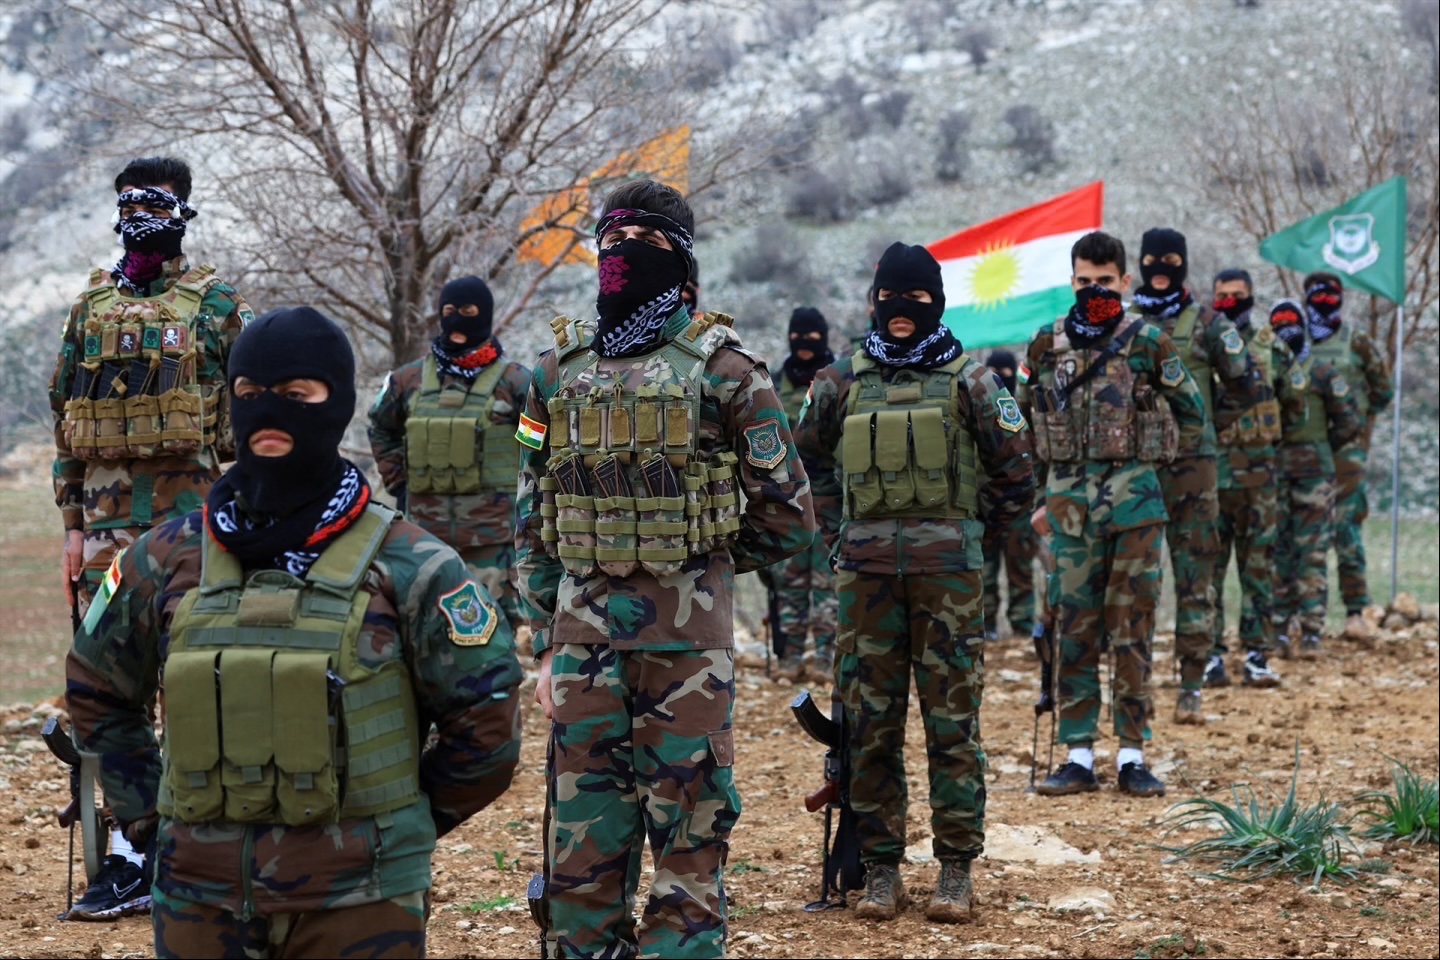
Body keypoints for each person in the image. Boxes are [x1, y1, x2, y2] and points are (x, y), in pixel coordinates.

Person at [65, 306, 523, 959]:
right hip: (200, 897)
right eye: (250, 395)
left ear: (335, 404)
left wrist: (402, 824)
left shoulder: (412, 563)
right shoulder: (166, 555)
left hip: (360, 902)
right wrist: (149, 815)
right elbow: (96, 685)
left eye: (295, 395)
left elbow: (489, 722)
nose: (269, 413)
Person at [515, 179, 814, 958]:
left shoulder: (729, 374)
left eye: (643, 245)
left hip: (689, 657)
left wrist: (701, 555)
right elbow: (530, 510)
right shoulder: (554, 374)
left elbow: (788, 514)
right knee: (579, 855)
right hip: (582, 647)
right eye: (611, 244)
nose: (622, 258)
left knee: (689, 843)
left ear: (682, 263)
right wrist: (547, 635)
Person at [795, 242, 1035, 924]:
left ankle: (955, 870)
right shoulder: (839, 381)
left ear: (937, 302)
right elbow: (801, 462)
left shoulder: (973, 382)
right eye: (892, 298)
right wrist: (838, 530)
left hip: (949, 583)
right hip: (866, 581)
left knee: (952, 725)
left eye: (917, 299)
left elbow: (1017, 474)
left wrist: (969, 534)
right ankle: (880, 871)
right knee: (869, 727)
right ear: (875, 302)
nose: (903, 311)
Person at [47, 155, 253, 921]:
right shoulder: (87, 308)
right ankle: (133, 853)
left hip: (192, 531)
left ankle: (202, 851)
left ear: (183, 213)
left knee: (196, 685)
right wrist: (71, 528)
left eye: (156, 203)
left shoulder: (218, 305)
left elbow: (259, 413)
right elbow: (65, 417)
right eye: (129, 201)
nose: (140, 214)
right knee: (108, 689)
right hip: (103, 536)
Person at [1023, 231, 1206, 799]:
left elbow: (1192, 414)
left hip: (1134, 510)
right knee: (1073, 629)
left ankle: (1131, 754)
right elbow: (1030, 426)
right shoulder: (1045, 345)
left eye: (1104, 281)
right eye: (1083, 281)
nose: (1093, 290)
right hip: (1069, 510)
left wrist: (1153, 466)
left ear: (1124, 282)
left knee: (1132, 631)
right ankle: (1077, 754)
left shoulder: (1149, 342)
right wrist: (1039, 501)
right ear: (1071, 280)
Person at [1128, 227, 1250, 725]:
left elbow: (1244, 385)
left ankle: (1192, 682)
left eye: (1171, 260)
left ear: (1184, 264)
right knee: (1134, 581)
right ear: (1139, 264)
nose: (1162, 269)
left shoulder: (1209, 324)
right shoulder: (1125, 327)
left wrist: (1203, 426)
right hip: (1135, 468)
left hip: (1193, 469)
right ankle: (1136, 687)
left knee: (1196, 575)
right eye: (1153, 260)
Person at [368, 276, 532, 635]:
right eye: (448, 311)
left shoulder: (518, 383)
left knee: (494, 635)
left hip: (494, 544)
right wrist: (398, 482)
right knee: (423, 632)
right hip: (425, 537)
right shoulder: (407, 380)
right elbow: (380, 427)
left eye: (468, 312)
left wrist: (529, 494)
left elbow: (541, 444)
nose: (457, 320)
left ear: (484, 315)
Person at [1204, 269, 1304, 689]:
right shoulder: (1201, 347)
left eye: (1237, 295)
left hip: (1259, 481)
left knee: (1258, 570)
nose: (1229, 301)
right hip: (1209, 479)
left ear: (1250, 297)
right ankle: (1210, 657)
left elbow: (1295, 407)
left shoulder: (1271, 347)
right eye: (1222, 294)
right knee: (1208, 571)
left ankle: (1256, 656)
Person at [1301, 272, 1394, 640]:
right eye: (1317, 295)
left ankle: (1355, 610)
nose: (1324, 301)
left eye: (1331, 295)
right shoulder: (1296, 342)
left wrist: (1355, 421)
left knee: (1345, 527)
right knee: (1304, 534)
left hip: (1346, 452)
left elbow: (1383, 391)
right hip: (1304, 450)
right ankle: (1304, 617)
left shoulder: (1357, 342)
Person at [1268, 299, 1362, 659]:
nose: (1286, 331)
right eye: (1279, 325)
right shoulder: (1268, 370)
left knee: (1312, 552)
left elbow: (1348, 420)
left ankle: (1311, 632)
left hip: (1314, 477)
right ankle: (1278, 629)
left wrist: (1321, 447)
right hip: (1276, 473)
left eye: (1291, 324)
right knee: (1279, 552)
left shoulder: (1322, 372)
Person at [765, 306, 839, 682]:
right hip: (788, 501)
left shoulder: (838, 380)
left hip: (828, 499)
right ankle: (790, 659)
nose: (805, 343)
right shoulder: (775, 383)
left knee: (828, 584)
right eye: (799, 335)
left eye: (813, 336)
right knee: (789, 583)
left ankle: (827, 659)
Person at [980, 350, 1038, 641]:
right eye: (995, 371)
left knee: (1021, 572)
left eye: (1006, 371)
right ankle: (987, 623)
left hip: (1021, 507)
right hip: (986, 505)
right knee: (985, 572)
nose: (1001, 377)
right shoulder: (979, 408)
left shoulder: (1025, 411)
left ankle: (1023, 626)